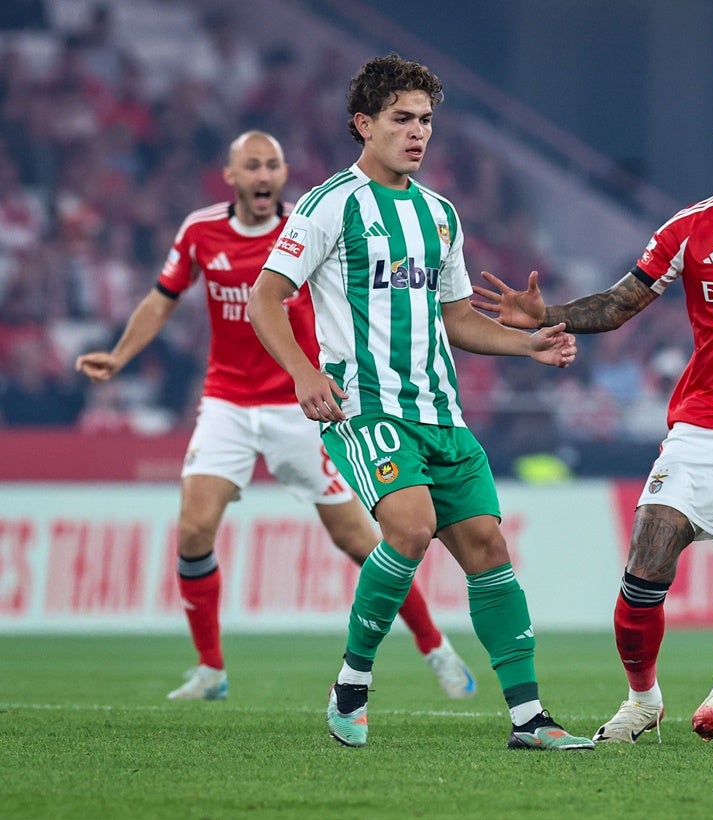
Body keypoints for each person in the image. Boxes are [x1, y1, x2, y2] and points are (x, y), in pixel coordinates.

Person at [473, 88, 713, 744]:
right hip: (703, 428)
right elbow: (620, 304)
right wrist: (547, 315)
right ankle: (642, 700)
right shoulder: (690, 230)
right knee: (645, 566)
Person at [246, 54, 593, 751]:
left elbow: (456, 317)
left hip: (441, 412)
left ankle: (528, 718)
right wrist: (303, 372)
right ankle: (351, 681)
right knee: (409, 527)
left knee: (488, 547)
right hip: (366, 406)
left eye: (426, 120)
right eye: (401, 119)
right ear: (363, 124)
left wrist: (526, 346)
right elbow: (265, 298)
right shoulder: (328, 205)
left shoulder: (439, 215)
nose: (417, 133)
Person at [75, 130, 476, 703]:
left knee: (364, 541)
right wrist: (118, 356)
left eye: (272, 166)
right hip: (227, 402)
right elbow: (163, 297)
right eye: (252, 167)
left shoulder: (312, 224)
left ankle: (434, 645)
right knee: (192, 528)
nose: (264, 176)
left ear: (283, 174)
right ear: (232, 176)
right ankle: (210, 669)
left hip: (302, 404)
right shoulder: (200, 231)